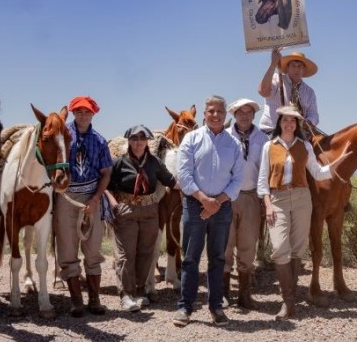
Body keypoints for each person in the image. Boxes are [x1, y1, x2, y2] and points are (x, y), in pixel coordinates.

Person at [257, 105, 351, 320]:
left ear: (297, 124)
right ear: (279, 123)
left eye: (293, 120)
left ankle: (289, 304)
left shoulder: (305, 146)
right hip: (278, 199)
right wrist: (268, 205)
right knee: (280, 248)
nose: (289, 124)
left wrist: (340, 160)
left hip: (302, 198)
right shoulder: (269, 147)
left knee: (297, 249)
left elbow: (318, 174)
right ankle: (288, 300)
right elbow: (263, 180)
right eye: (285, 120)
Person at [173, 95, 244, 328]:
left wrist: (217, 202)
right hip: (195, 205)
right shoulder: (191, 139)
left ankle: (216, 307)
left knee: (218, 259)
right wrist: (204, 200)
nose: (215, 115)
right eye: (211, 111)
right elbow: (183, 175)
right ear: (204, 114)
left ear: (226, 115)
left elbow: (238, 179)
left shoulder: (233, 144)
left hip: (222, 207)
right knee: (191, 259)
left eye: (219, 112)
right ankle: (185, 307)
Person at [106, 124, 177, 312]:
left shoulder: (154, 163)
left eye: (142, 139)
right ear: (129, 141)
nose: (138, 142)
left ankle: (140, 291)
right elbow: (106, 186)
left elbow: (171, 181)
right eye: (135, 139)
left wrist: (197, 192)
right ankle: (126, 295)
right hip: (126, 211)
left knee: (145, 252)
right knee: (126, 254)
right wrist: (114, 204)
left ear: (147, 142)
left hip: (149, 212)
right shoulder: (119, 163)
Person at [56, 95, 113, 317]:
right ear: (72, 112)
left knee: (93, 250)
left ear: (93, 114)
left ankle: (95, 300)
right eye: (79, 111)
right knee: (68, 250)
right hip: (66, 197)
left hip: (92, 197)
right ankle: (76, 301)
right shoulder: (63, 136)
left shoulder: (99, 140)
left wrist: (96, 198)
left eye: (87, 111)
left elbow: (106, 173)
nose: (83, 115)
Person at [222, 98, 270, 309]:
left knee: (248, 245)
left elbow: (265, 170)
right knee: (225, 244)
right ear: (233, 114)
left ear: (254, 115)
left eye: (249, 112)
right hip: (226, 197)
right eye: (240, 112)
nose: (245, 115)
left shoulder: (263, 138)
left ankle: (244, 294)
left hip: (251, 196)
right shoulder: (224, 137)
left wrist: (263, 198)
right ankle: (223, 293)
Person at [257, 48, 319, 136]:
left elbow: (314, 114)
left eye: (299, 66)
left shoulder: (309, 92)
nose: (296, 69)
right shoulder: (276, 79)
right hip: (272, 131)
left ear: (304, 70)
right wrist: (273, 64)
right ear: (287, 67)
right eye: (293, 65)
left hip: (297, 133)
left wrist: (309, 122)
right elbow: (263, 91)